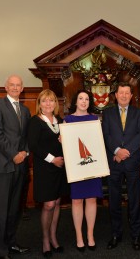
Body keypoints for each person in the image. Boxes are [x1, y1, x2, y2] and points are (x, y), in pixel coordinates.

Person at [0, 75, 31, 259]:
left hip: (21, 165)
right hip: (4, 163)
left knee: (15, 209)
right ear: (6, 87)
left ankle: (11, 244)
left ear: (22, 89)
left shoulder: (26, 110)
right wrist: (14, 155)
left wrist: (25, 153)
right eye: (11, 85)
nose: (14, 87)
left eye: (18, 85)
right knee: (3, 209)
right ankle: (1, 250)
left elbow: (28, 136)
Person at [102, 82, 140, 251]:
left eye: (127, 93)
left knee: (135, 200)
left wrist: (126, 151)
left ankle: (136, 235)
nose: (124, 95)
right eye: (121, 93)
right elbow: (106, 135)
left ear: (131, 96)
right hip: (114, 162)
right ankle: (116, 233)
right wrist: (117, 151)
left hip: (133, 162)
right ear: (116, 95)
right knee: (114, 200)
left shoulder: (138, 113)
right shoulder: (108, 113)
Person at [27, 89, 69, 258]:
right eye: (44, 101)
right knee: (49, 204)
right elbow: (33, 146)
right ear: (39, 104)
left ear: (55, 104)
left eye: (51, 101)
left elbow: (67, 143)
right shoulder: (35, 121)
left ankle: (53, 237)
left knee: (57, 202)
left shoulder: (60, 120)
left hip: (60, 169)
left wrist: (64, 140)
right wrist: (53, 160)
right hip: (45, 168)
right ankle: (45, 239)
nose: (48, 104)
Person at [63, 90, 103, 252]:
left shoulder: (95, 120)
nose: (84, 101)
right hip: (76, 166)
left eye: (87, 99)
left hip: (93, 164)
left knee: (92, 199)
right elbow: (67, 147)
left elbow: (99, 144)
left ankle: (90, 235)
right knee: (77, 201)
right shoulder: (67, 120)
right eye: (81, 98)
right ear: (75, 101)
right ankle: (79, 236)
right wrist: (62, 140)